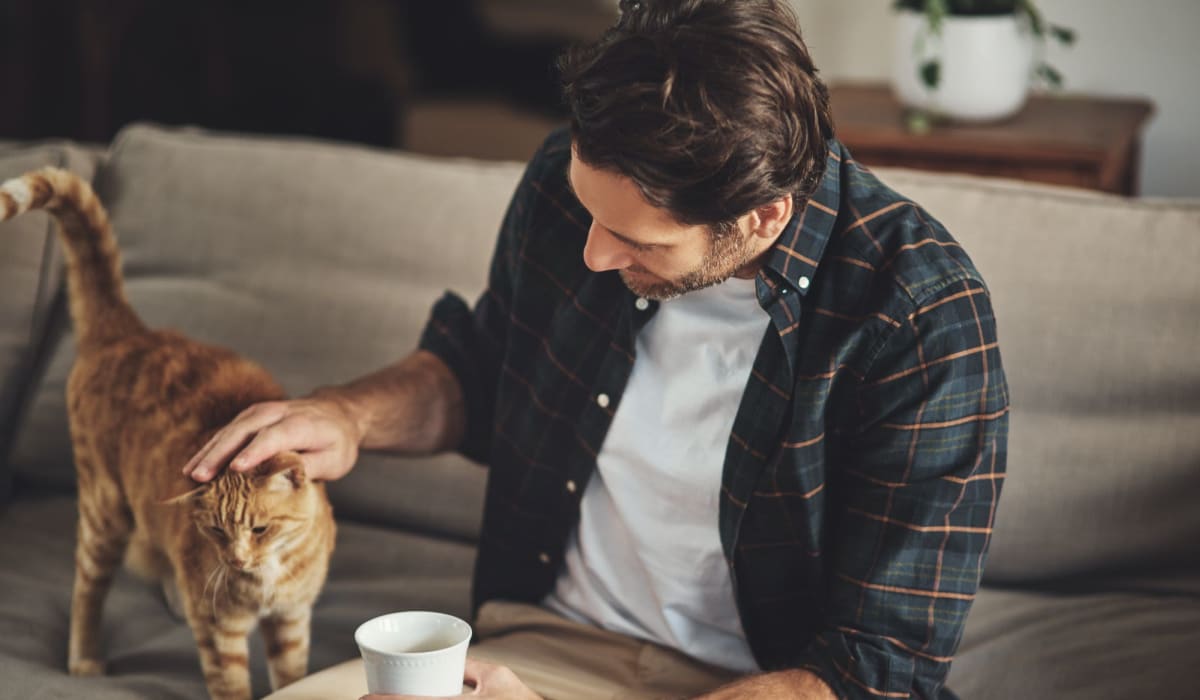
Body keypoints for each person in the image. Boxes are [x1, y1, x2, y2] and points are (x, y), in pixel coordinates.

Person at [183, 1, 1008, 698]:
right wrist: (347, 418)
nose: (594, 257)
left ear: (760, 218)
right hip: (535, 649)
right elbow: (483, 364)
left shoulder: (920, 320)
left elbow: (872, 669)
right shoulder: (560, 182)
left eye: (637, 240)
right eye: (589, 214)